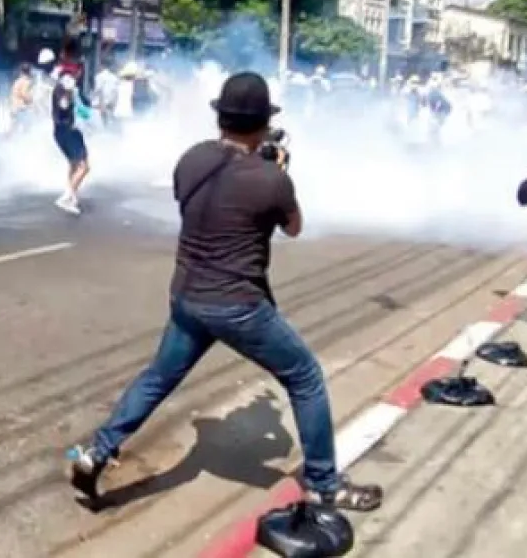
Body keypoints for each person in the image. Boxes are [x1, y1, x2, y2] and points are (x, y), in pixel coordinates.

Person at [66, 72, 383, 514]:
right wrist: (275, 171)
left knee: (158, 378)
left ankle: (96, 453)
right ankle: (324, 484)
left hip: (187, 294)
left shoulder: (192, 159)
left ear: (222, 119)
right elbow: (293, 228)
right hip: (237, 305)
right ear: (260, 124)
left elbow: (197, 203)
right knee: (306, 377)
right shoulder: (271, 180)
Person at [52, 71, 90, 215]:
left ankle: (71, 195)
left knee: (74, 164)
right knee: (84, 167)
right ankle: (67, 197)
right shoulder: (64, 95)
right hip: (68, 132)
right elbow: (65, 106)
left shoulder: (62, 92)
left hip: (65, 132)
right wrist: (71, 94)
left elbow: (82, 111)